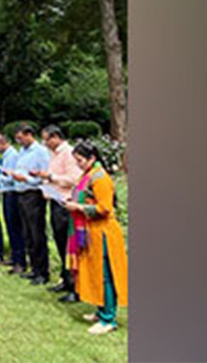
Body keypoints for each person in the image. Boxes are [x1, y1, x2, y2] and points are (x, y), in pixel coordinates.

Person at [62, 141, 129, 335]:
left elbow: (105, 208)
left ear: (92, 158)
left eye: (80, 160)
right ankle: (101, 311)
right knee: (97, 273)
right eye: (76, 161)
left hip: (104, 232)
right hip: (91, 231)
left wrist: (79, 208)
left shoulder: (100, 178)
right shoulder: (88, 174)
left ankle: (109, 319)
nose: (78, 164)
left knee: (106, 276)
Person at [32, 125, 82, 302]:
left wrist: (51, 177)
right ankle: (66, 279)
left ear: (55, 137)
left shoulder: (68, 153)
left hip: (65, 203)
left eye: (46, 139)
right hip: (55, 200)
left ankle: (77, 287)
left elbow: (75, 179)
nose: (44, 143)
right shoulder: (54, 155)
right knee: (61, 243)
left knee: (69, 245)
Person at [8, 124, 52, 285]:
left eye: (20, 138)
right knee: (27, 233)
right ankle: (34, 268)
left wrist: (26, 179)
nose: (18, 141)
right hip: (20, 193)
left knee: (36, 233)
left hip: (33, 194)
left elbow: (43, 176)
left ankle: (43, 271)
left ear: (29, 135)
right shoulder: (22, 151)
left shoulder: (40, 152)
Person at [0, 134, 26, 275]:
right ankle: (15, 257)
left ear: (1, 143)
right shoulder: (7, 156)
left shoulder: (12, 156)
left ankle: (20, 261)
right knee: (10, 226)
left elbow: (10, 178)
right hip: (6, 192)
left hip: (12, 193)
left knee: (15, 227)